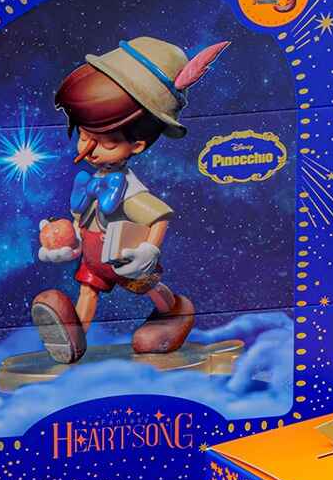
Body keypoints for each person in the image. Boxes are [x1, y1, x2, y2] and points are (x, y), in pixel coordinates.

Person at [30, 36, 228, 365]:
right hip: (93, 253)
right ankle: (74, 339)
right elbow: (84, 214)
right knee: (88, 291)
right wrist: (70, 240)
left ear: (137, 145)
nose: (87, 150)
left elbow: (158, 217)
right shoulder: (90, 181)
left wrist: (149, 250)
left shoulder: (129, 188)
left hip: (123, 253)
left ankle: (175, 310)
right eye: (84, 135)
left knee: (150, 287)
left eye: (105, 142)